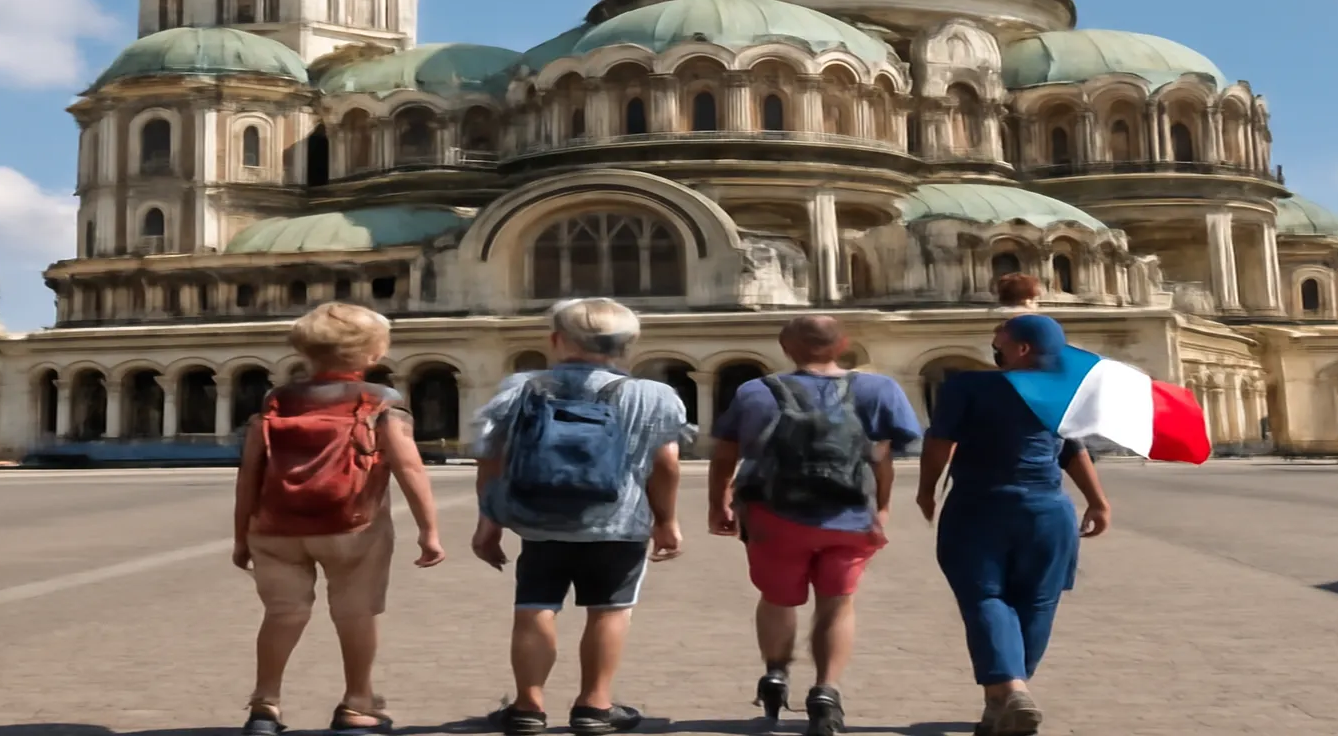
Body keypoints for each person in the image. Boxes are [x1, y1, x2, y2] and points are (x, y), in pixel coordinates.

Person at [472, 298, 691, 736]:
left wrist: (488, 520)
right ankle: (595, 705)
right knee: (609, 611)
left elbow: (492, 457)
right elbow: (666, 463)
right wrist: (666, 520)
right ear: (627, 345)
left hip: (538, 522)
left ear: (556, 340)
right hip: (619, 524)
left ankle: (527, 707)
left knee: (534, 607)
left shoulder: (520, 388)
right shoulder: (654, 395)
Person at [232, 302, 446, 736]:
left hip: (275, 527)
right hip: (353, 526)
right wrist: (429, 531)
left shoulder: (277, 401)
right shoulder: (381, 401)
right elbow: (409, 467)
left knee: (282, 613)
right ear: (375, 353)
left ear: (304, 351)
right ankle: (357, 705)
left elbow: (250, 471)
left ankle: (264, 706)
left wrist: (241, 536)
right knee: (356, 613)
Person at [709, 316, 923, 736]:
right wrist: (881, 508)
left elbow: (725, 455)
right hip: (849, 515)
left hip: (773, 516)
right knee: (837, 603)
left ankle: (775, 673)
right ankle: (826, 691)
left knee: (777, 599)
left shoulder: (755, 391)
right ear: (843, 344)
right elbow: (883, 457)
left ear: (785, 346)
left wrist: (719, 503)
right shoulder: (878, 389)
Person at [915, 314, 1110, 736]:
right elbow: (1072, 450)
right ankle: (1000, 702)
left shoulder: (967, 386)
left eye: (999, 341)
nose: (994, 347)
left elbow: (940, 440)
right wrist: (1097, 501)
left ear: (1021, 349)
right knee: (1038, 602)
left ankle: (1012, 689)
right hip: (1049, 512)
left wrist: (927, 489)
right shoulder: (1063, 392)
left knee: (985, 597)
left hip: (979, 507)